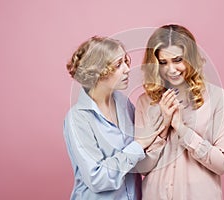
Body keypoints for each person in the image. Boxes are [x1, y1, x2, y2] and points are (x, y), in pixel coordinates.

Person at [134, 24, 224, 199]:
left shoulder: (219, 98)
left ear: (191, 58)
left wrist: (181, 129)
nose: (171, 70)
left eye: (178, 60)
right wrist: (163, 127)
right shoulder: (145, 101)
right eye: (163, 62)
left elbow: (222, 164)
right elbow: (142, 167)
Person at [63, 36, 163, 200]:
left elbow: (141, 154)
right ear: (98, 72)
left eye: (126, 61)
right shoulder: (78, 119)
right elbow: (97, 179)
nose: (127, 69)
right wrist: (139, 145)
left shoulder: (123, 103)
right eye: (118, 65)